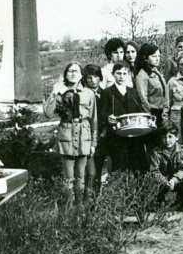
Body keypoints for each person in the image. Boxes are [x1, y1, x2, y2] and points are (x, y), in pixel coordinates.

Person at [44, 62, 98, 203]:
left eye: (76, 71)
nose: (73, 73)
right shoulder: (60, 92)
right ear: (65, 74)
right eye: (70, 71)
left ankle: (79, 210)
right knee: (68, 178)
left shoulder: (89, 93)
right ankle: (68, 212)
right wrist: (55, 92)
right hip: (67, 135)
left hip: (83, 137)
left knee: (81, 176)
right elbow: (48, 113)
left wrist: (93, 142)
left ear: (81, 75)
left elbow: (94, 120)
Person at [100, 63, 147, 172]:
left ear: (128, 75)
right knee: (119, 165)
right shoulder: (107, 93)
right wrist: (108, 118)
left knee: (137, 166)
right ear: (113, 74)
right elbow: (102, 113)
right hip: (117, 136)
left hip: (134, 136)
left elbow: (139, 111)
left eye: (124, 73)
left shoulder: (133, 92)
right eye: (118, 73)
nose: (121, 76)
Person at [149, 122, 183, 209]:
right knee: (152, 181)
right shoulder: (156, 152)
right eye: (164, 137)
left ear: (176, 137)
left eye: (170, 137)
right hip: (162, 180)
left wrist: (174, 180)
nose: (167, 140)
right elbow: (154, 170)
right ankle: (159, 202)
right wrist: (165, 182)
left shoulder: (182, 150)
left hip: (176, 180)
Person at [82, 64, 105, 194]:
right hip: (89, 137)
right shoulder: (83, 95)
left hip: (104, 136)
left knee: (101, 170)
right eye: (89, 77)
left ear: (100, 77)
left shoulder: (106, 93)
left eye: (95, 76)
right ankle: (89, 199)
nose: (92, 80)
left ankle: (97, 197)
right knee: (90, 171)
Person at [135, 43, 169, 127]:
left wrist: (165, 110)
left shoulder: (156, 71)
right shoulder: (142, 75)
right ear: (145, 58)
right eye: (154, 56)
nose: (157, 59)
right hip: (152, 114)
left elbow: (165, 92)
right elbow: (143, 99)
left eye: (159, 56)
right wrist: (150, 117)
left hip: (163, 112)